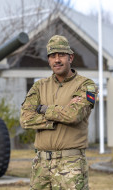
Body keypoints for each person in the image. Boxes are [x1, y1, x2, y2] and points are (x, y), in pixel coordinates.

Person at [20, 35, 98, 190]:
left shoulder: (86, 85)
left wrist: (42, 109)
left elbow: (74, 115)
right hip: (41, 165)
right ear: (48, 60)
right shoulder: (39, 86)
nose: (57, 60)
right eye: (52, 56)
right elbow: (25, 119)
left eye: (61, 55)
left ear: (71, 57)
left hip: (70, 165)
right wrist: (56, 119)